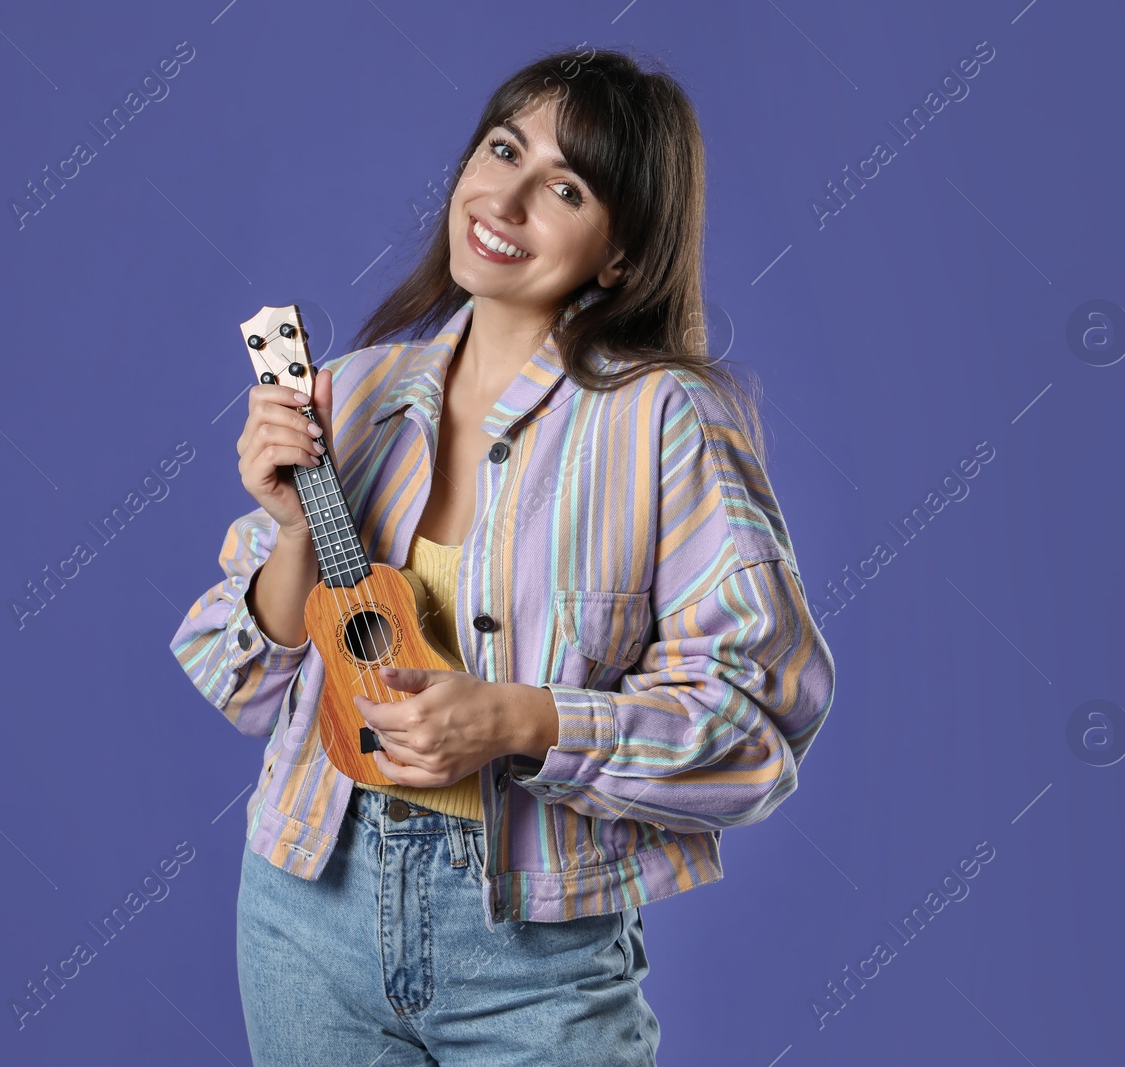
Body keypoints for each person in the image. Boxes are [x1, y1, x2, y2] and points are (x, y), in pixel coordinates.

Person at [169, 46, 835, 1067]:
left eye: (564, 187)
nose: (506, 198)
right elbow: (240, 679)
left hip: (536, 952)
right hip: (305, 910)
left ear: (619, 253)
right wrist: (298, 522)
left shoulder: (664, 424)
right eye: (501, 147)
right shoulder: (349, 391)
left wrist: (521, 719)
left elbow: (755, 716)